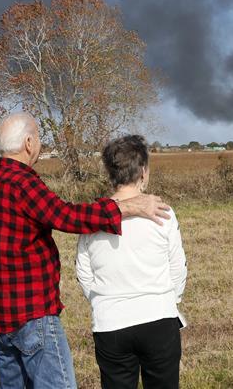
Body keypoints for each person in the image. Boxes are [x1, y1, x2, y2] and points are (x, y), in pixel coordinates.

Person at [0, 113, 171, 389]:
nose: (40, 144)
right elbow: (67, 217)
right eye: (38, 138)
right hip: (30, 314)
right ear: (28, 143)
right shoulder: (23, 183)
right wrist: (127, 207)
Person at [76, 135, 187, 389]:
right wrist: (170, 301)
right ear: (143, 172)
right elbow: (177, 267)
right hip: (159, 318)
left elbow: (84, 273)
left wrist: (103, 301)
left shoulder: (94, 218)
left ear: (110, 173)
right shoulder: (164, 213)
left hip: (110, 324)